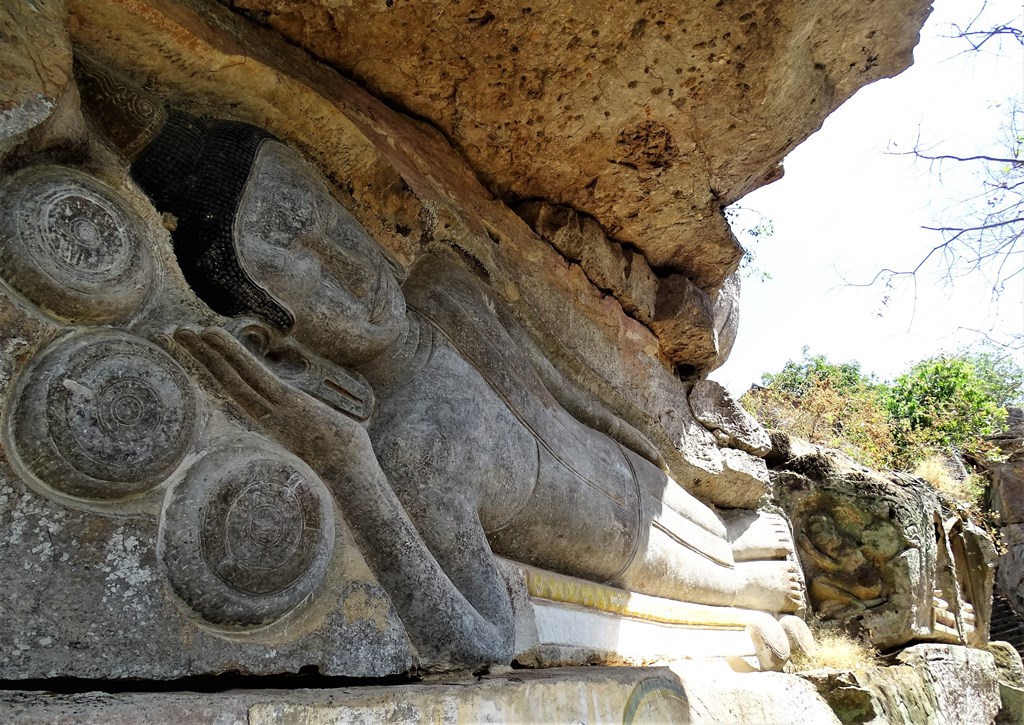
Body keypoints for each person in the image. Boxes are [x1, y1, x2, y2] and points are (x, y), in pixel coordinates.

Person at [129, 111, 802, 668]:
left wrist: (659, 456)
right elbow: (481, 641)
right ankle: (747, 594)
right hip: (616, 545)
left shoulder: (443, 288)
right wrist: (345, 463)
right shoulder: (403, 449)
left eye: (320, 214)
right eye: (301, 268)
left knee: (727, 535)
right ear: (273, 333)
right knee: (742, 580)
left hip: (628, 467)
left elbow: (567, 392)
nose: (343, 259)